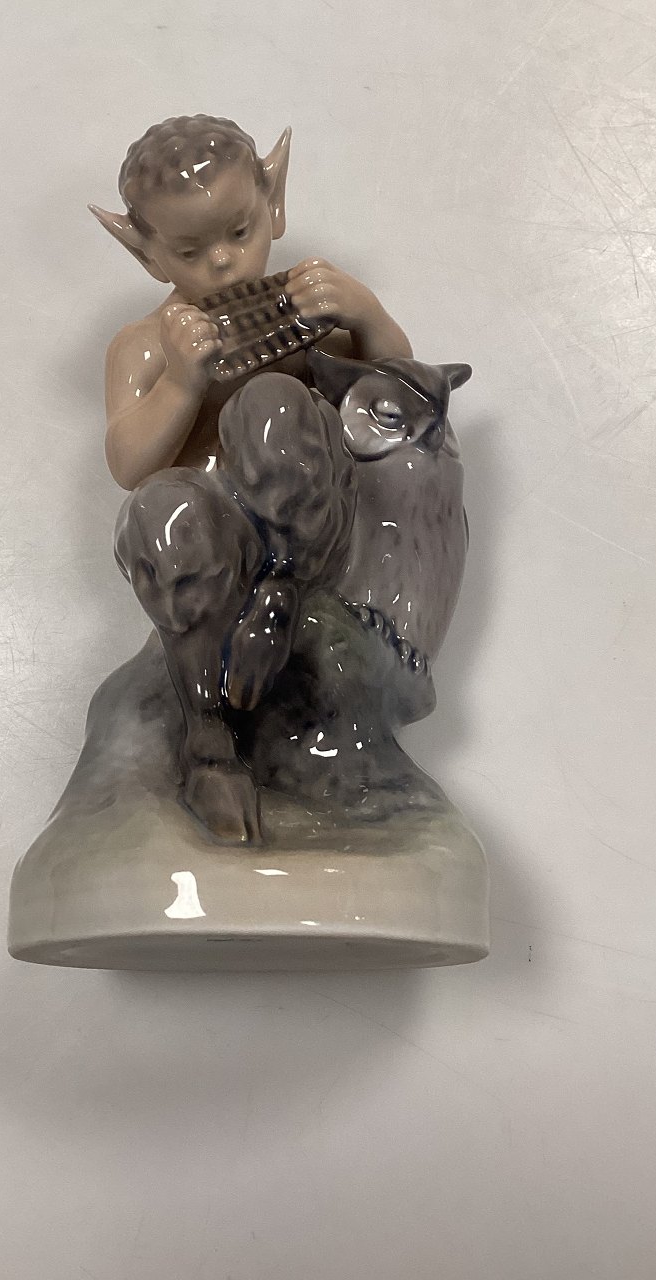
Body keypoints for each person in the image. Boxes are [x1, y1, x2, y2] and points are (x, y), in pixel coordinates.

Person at [90, 116, 413, 841]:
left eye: (240, 232)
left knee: (270, 402)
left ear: (276, 204)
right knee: (162, 509)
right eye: (189, 250)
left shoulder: (305, 315)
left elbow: (395, 390)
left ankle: (282, 599)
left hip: (308, 533)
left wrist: (368, 316)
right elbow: (129, 465)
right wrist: (181, 383)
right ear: (144, 252)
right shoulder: (141, 348)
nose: (223, 263)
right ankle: (208, 738)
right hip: (210, 540)